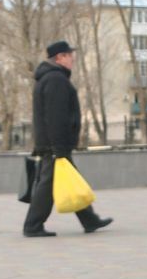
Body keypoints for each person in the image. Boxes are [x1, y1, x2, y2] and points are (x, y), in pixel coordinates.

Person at [22, 40, 113, 237]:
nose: (72, 59)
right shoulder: (56, 80)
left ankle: (89, 219)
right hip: (55, 145)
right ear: (60, 57)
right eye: (69, 55)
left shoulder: (49, 78)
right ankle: (32, 225)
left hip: (53, 144)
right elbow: (56, 116)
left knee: (71, 180)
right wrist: (59, 147)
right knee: (47, 186)